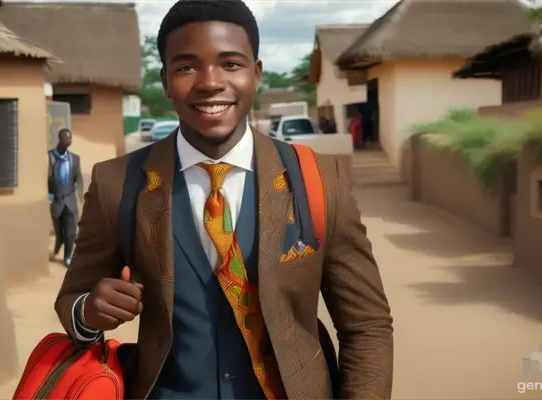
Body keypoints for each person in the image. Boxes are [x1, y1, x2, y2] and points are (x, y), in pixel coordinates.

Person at [55, 1, 393, 399]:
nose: (210, 82)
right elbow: (71, 301)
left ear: (257, 73)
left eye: (231, 64)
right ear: (165, 80)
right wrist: (89, 312)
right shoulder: (118, 183)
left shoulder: (318, 180)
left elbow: (366, 325)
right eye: (186, 67)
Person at [48, 128, 83, 268]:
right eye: (67, 138)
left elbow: (78, 179)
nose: (69, 141)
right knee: (59, 232)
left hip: (70, 200)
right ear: (60, 139)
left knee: (72, 232)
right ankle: (57, 247)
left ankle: (68, 257)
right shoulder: (50, 157)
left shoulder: (74, 158)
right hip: (56, 200)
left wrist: (80, 196)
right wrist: (49, 196)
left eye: (70, 138)